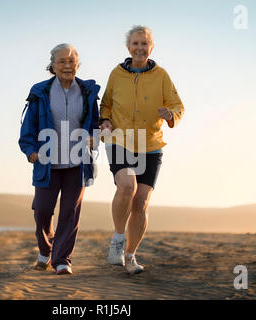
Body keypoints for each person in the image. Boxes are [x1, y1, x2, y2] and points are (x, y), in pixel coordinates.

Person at [99, 26, 185, 275]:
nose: (139, 48)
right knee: (127, 186)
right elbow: (106, 104)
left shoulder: (161, 75)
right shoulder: (117, 74)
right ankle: (117, 239)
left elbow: (178, 105)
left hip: (150, 144)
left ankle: (130, 255)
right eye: (135, 44)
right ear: (128, 48)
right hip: (120, 139)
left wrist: (171, 115)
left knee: (141, 204)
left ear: (151, 47)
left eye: (144, 44)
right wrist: (105, 120)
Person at [19, 43, 100, 275]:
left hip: (77, 162)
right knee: (42, 211)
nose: (67, 65)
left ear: (78, 64)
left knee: (69, 213)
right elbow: (28, 127)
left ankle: (62, 259)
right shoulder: (40, 92)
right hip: (47, 163)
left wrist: (95, 137)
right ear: (52, 65)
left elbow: (95, 123)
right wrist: (30, 150)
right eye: (62, 61)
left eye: (71, 61)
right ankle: (46, 249)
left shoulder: (87, 92)